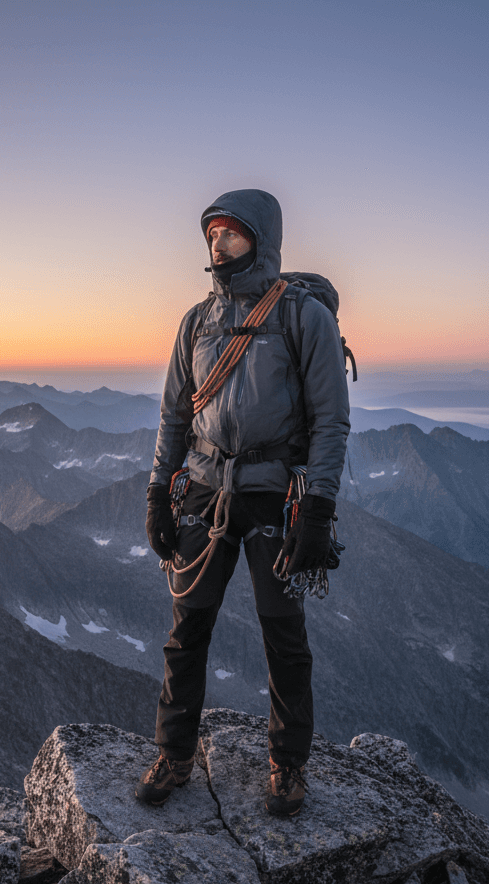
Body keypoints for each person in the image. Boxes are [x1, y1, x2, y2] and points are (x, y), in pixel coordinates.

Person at [138, 188, 350, 816]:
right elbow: (175, 416)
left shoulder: (301, 318)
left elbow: (331, 423)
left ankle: (287, 765)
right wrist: (157, 491)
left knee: (282, 632)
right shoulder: (197, 321)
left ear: (262, 238)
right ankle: (174, 754)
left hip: (271, 493)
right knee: (188, 628)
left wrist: (318, 511)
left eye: (230, 233)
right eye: (212, 235)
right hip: (204, 488)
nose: (218, 244)